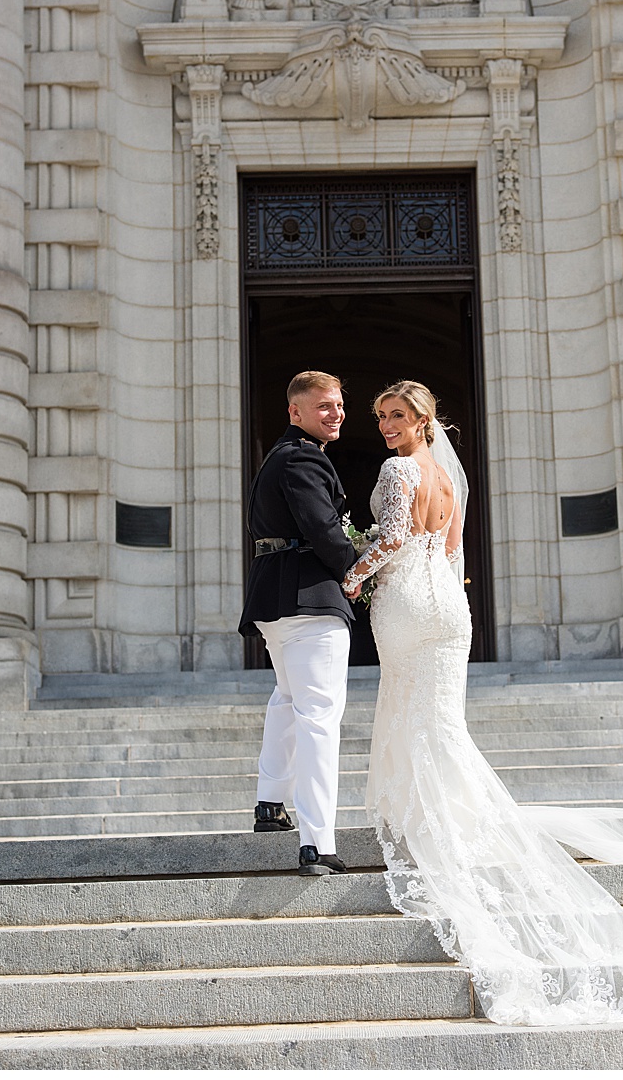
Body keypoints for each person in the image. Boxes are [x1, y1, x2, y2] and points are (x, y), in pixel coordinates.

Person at [340, 380, 623, 1025]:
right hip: (449, 608)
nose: (387, 426)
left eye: (397, 416)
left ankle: (431, 824)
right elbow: (448, 551)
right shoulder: (447, 476)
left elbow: (392, 541)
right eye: (382, 417)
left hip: (410, 605)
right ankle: (449, 816)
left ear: (423, 418)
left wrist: (352, 575)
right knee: (440, 721)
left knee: (414, 715)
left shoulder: (397, 471)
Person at [239, 371, 358, 876]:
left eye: (338, 405)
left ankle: (270, 804)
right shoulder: (303, 458)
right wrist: (356, 571)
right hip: (309, 600)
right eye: (324, 406)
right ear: (296, 412)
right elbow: (324, 529)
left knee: (288, 700)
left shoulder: (276, 459)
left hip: (274, 599)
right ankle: (317, 841)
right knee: (319, 717)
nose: (335, 414)